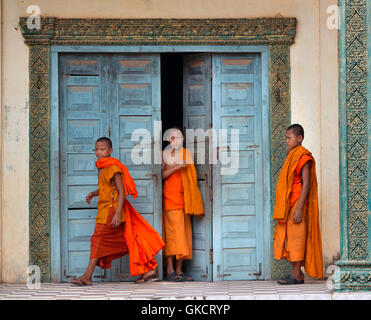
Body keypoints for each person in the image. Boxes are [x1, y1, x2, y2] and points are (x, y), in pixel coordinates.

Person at [69, 137, 164, 285]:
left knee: (97, 240)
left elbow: (121, 191)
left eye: (102, 150)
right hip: (104, 209)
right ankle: (148, 267)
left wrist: (118, 213)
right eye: (97, 150)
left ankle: (87, 276)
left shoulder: (113, 168)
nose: (99, 153)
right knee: (127, 239)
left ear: (110, 151)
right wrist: (95, 193)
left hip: (112, 210)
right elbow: (107, 188)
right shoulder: (101, 166)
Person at [273, 124, 323, 284]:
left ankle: (296, 275)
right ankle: (298, 275)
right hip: (289, 203)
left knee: (296, 239)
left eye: (289, 138)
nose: (286, 141)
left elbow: (306, 184)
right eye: (286, 138)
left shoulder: (303, 157)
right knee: (288, 238)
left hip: (297, 203)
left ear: (299, 138)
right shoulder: (292, 155)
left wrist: (299, 208)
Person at [161, 127, 205, 282]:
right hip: (170, 199)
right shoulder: (164, 155)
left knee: (184, 236)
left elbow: (191, 177)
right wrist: (175, 167)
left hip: (184, 200)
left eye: (178, 138)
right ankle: (169, 269)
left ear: (183, 139)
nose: (175, 141)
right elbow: (162, 176)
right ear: (168, 140)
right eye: (172, 138)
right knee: (172, 236)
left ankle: (179, 270)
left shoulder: (186, 154)